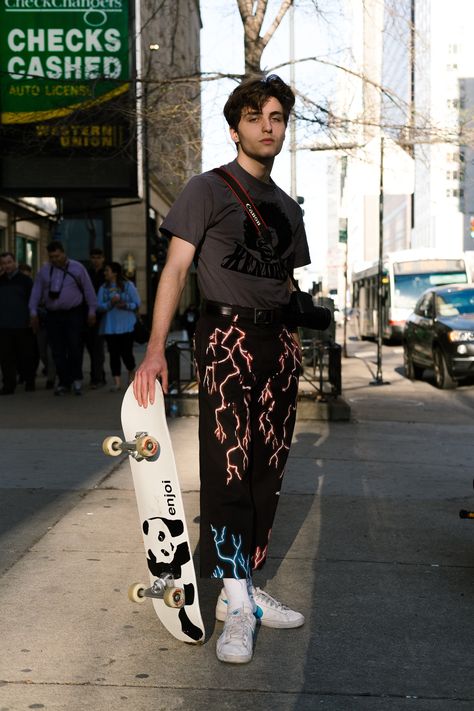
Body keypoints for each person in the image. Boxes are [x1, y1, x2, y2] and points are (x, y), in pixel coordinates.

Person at [133, 74, 311, 664]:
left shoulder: (288, 207)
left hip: (278, 343)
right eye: (257, 116)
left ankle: (244, 586)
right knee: (230, 463)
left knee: (268, 468)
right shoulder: (206, 190)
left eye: (278, 117)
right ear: (236, 127)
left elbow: (286, 283)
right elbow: (176, 273)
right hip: (226, 337)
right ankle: (236, 603)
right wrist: (157, 348)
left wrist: (293, 342)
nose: (268, 125)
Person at [29, 240, 97, 396]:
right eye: (52, 257)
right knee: (57, 350)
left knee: (74, 347)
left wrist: (92, 311)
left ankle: (77, 379)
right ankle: (64, 382)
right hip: (53, 315)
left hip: (73, 313)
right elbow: (36, 292)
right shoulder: (44, 271)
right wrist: (33, 312)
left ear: (64, 253)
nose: (55, 259)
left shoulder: (77, 268)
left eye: (57, 256)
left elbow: (88, 290)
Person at [97, 261, 140, 392]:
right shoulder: (103, 288)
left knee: (127, 353)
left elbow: (137, 303)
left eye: (107, 271)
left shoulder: (128, 286)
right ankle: (117, 382)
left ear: (115, 272)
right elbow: (99, 306)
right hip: (110, 327)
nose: (105, 273)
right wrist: (111, 303)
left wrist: (125, 305)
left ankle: (131, 375)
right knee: (113, 355)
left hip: (127, 326)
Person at [0, 252, 37, 394]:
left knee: (26, 355)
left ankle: (29, 381)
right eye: (3, 263)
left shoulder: (25, 280)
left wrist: (32, 318)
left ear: (14, 262)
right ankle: (8, 385)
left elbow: (32, 301)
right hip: (4, 326)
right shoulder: (0, 280)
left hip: (22, 324)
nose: (6, 266)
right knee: (5, 357)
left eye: (9, 262)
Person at [85, 247, 107, 388]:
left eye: (98, 257)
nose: (96, 260)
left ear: (103, 258)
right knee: (92, 347)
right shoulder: (87, 273)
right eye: (93, 257)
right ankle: (98, 375)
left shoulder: (106, 273)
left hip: (103, 315)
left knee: (97, 348)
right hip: (89, 314)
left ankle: (98, 377)